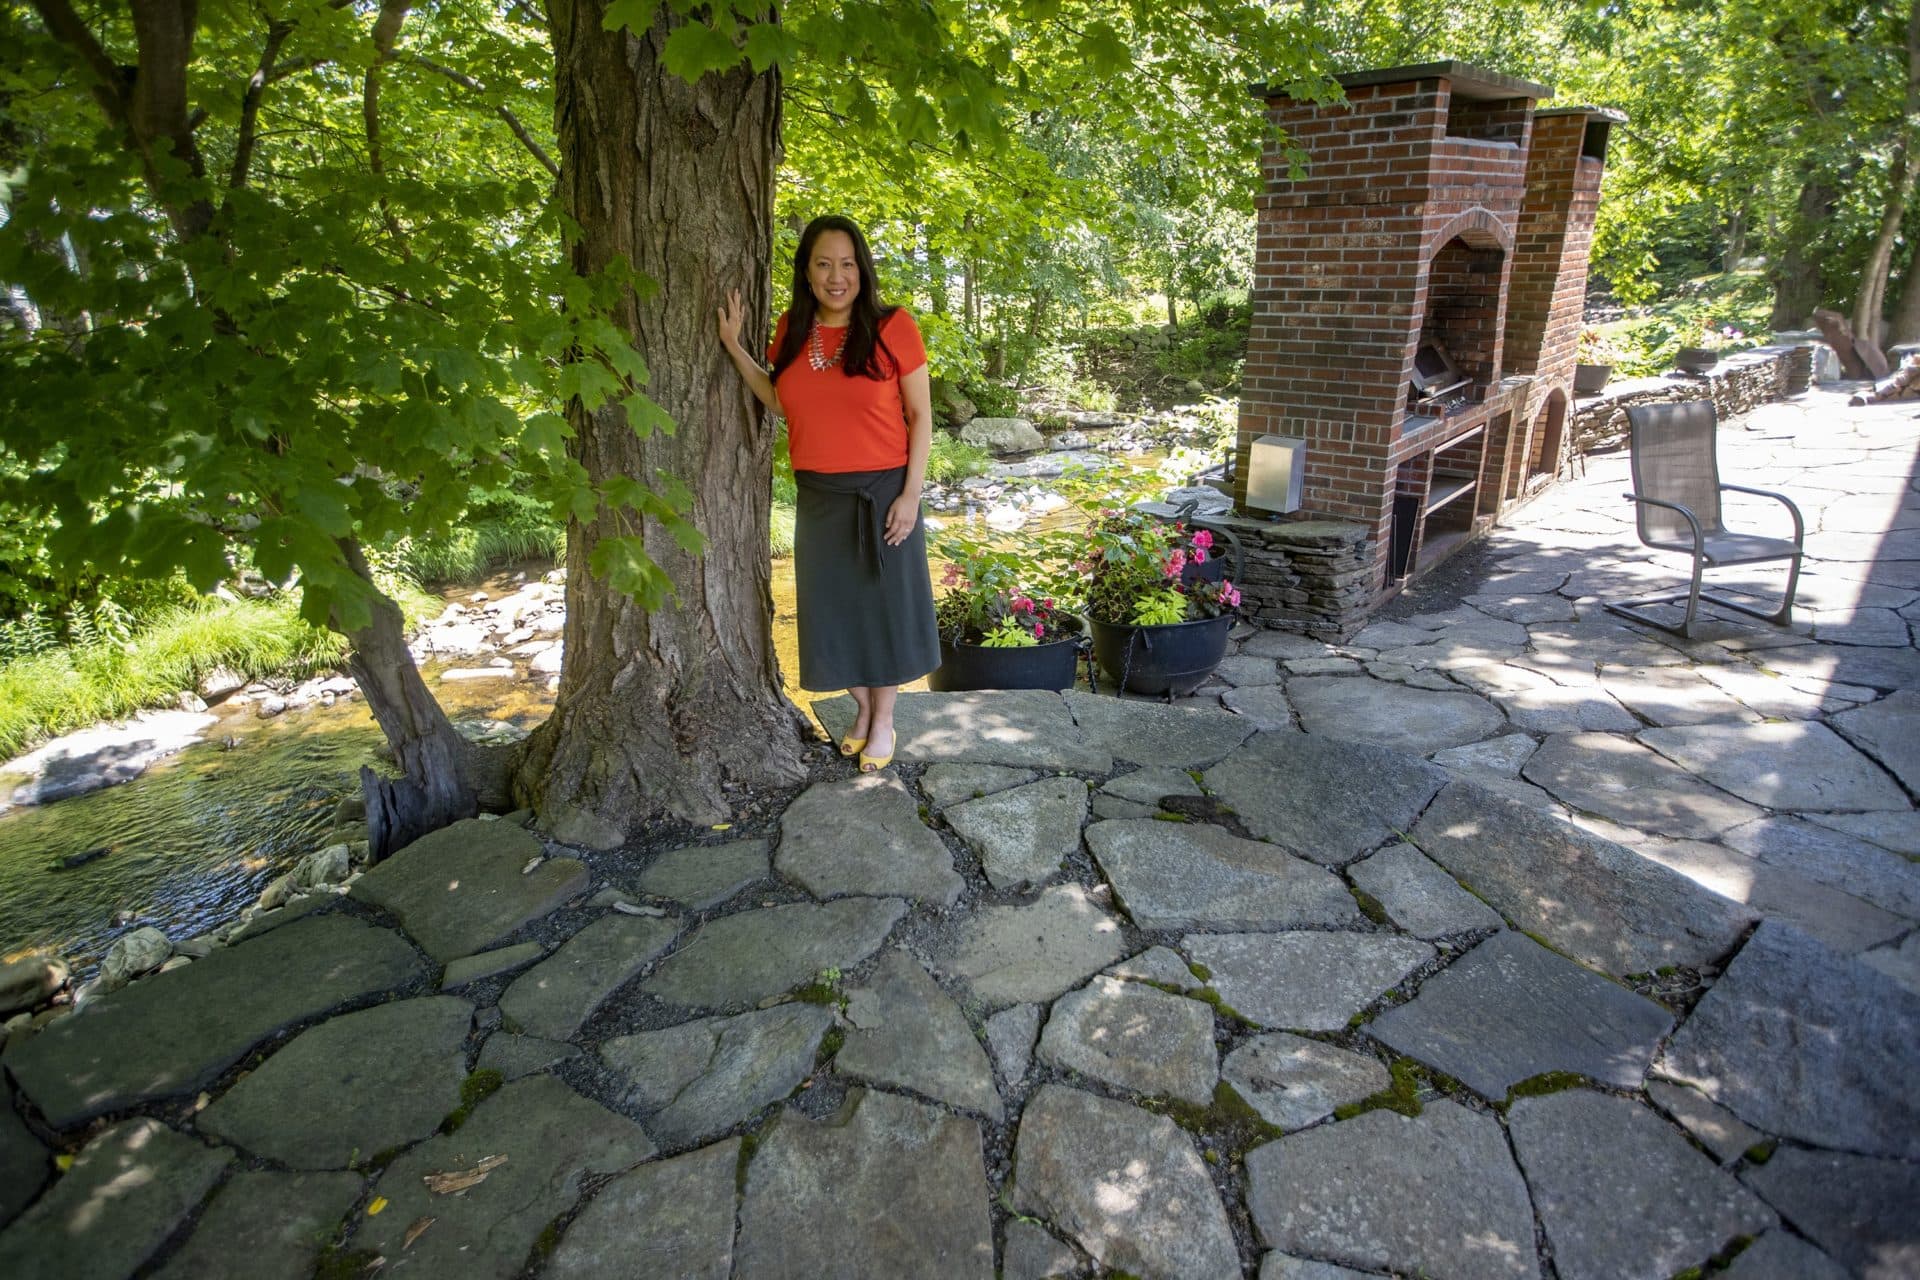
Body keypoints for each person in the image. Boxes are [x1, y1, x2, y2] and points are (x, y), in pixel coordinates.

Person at [717, 215, 939, 772]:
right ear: (807, 272)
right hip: (819, 496)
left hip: (884, 491)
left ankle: (883, 719)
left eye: (846, 263)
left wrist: (910, 495)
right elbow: (781, 399)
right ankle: (861, 711)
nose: (836, 276)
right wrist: (734, 347)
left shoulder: (894, 326)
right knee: (834, 614)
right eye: (823, 263)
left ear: (861, 269)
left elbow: (921, 416)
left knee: (882, 611)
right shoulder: (793, 329)